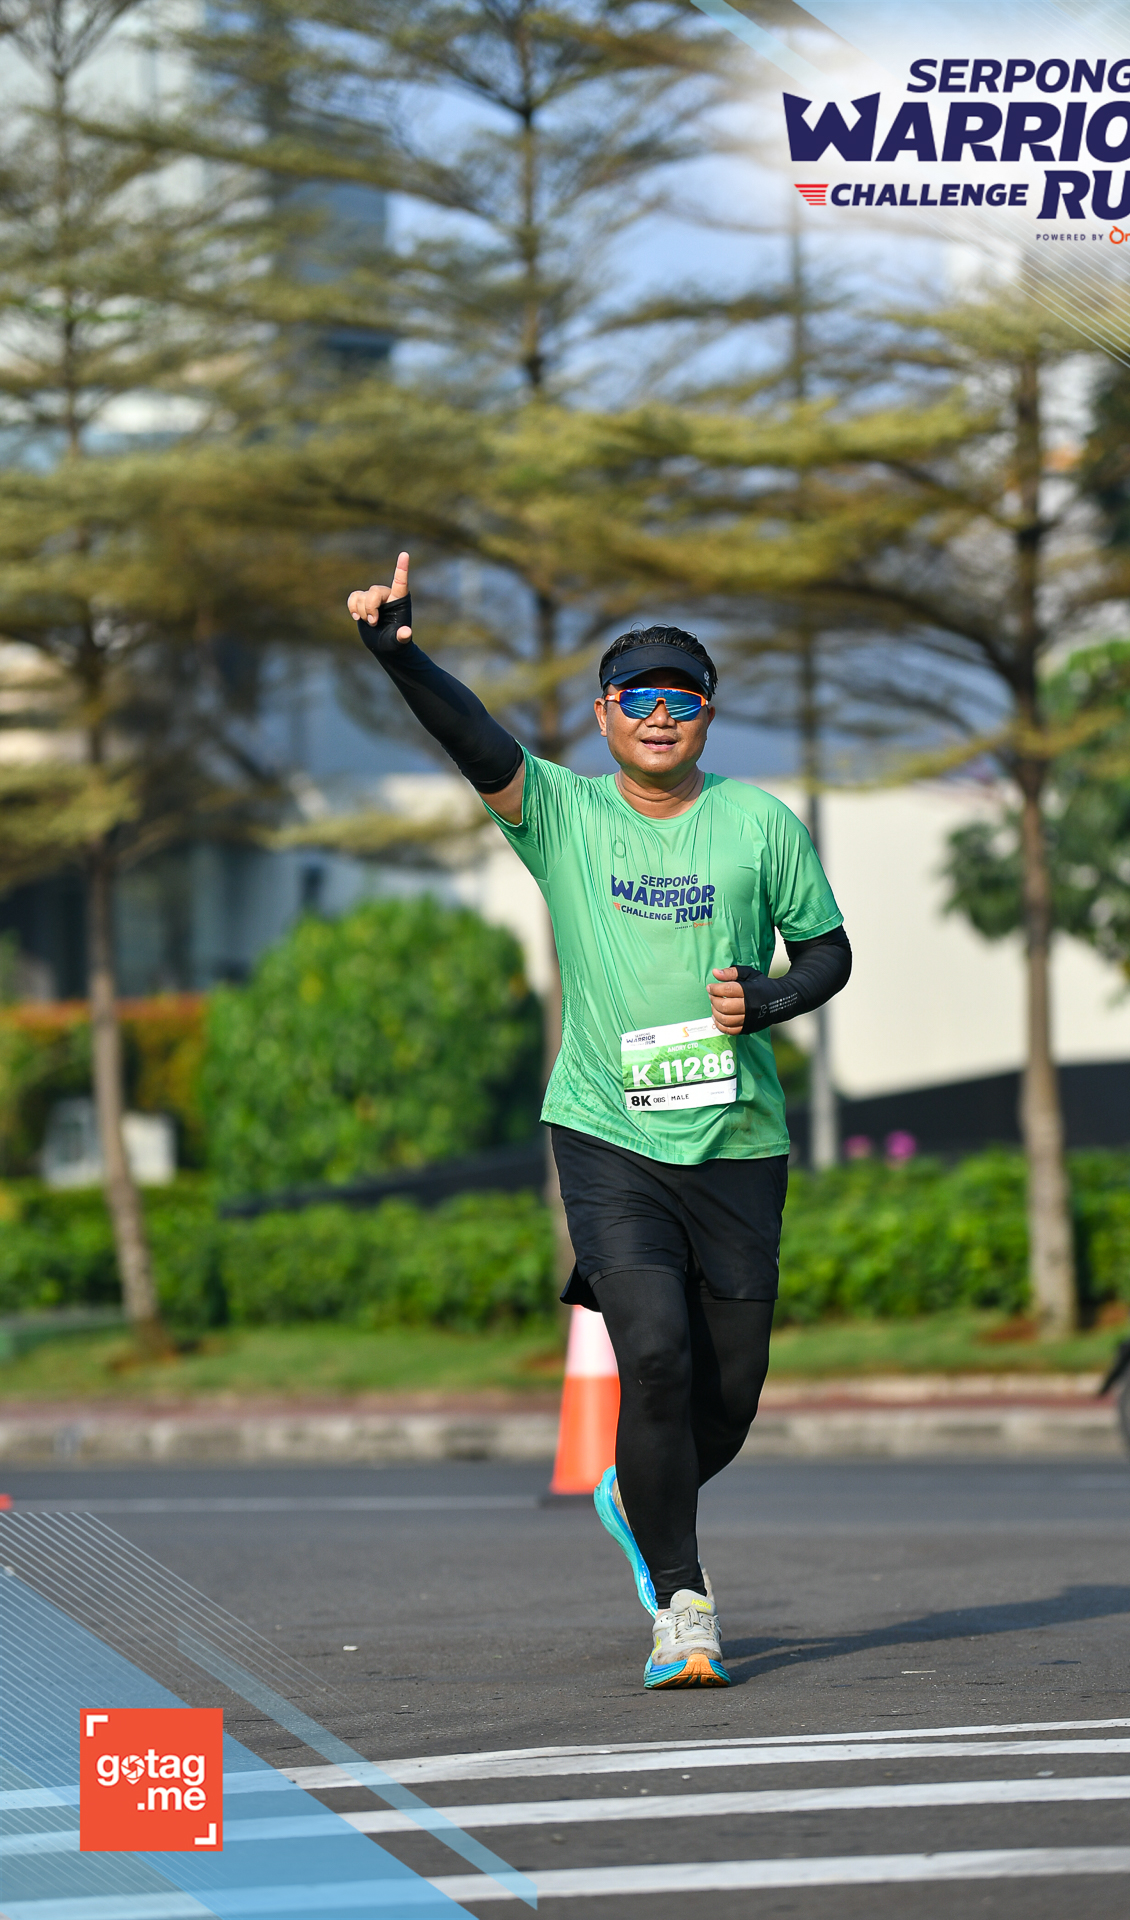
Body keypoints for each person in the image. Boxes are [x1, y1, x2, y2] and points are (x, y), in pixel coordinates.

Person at [347, 553, 851, 1688]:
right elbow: (475, 740)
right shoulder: (563, 815)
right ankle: (682, 1604)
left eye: (682, 698)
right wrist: (402, 658)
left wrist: (765, 998)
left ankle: (636, 1492)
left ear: (707, 715)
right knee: (655, 1356)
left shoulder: (759, 825)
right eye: (639, 697)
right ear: (604, 714)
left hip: (737, 1142)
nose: (660, 716)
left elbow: (827, 952)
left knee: (730, 1395)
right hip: (607, 1133)